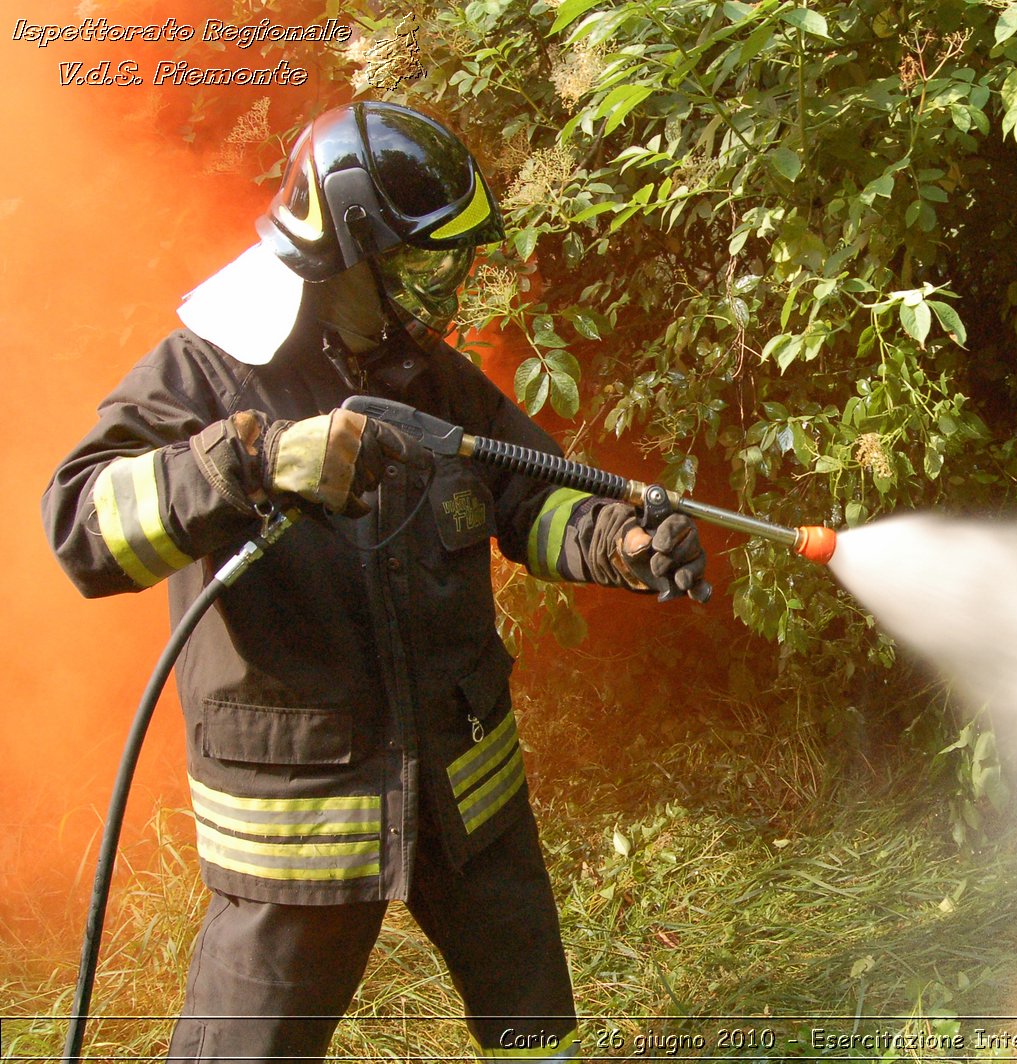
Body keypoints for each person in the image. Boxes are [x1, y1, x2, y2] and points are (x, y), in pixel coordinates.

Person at [42, 101, 708, 1062]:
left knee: (534, 1029)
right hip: (300, 825)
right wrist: (251, 464)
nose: (440, 286)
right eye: (416, 260)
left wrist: (622, 544)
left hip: (463, 779)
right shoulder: (205, 374)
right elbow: (80, 528)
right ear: (343, 250)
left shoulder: (428, 376)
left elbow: (532, 500)